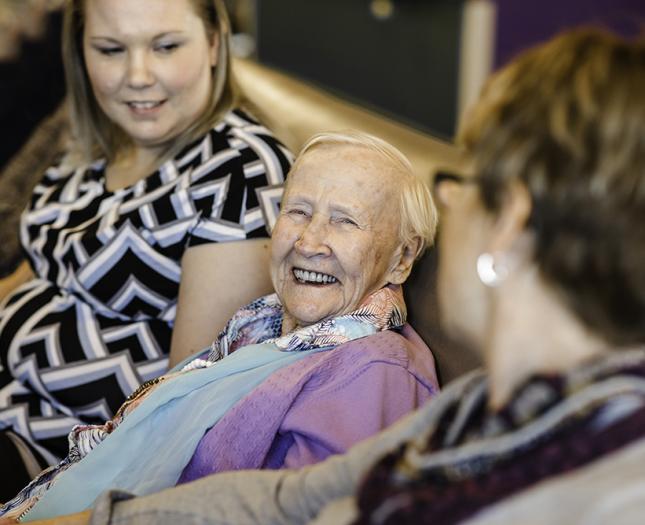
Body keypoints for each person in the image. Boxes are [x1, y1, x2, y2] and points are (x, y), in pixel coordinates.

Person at [14, 26, 645, 525]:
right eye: (298, 211)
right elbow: (289, 499)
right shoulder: (481, 410)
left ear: (508, 223)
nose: (452, 202)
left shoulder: (593, 486)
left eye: (467, 183)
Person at [0, 131, 440, 521]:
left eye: (345, 221)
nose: (308, 242)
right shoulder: (261, 325)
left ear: (402, 258)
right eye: (299, 211)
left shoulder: (373, 370)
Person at [0, 0, 293, 502]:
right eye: (111, 49)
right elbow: (36, 270)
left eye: (166, 46)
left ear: (214, 43)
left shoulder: (239, 171)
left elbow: (183, 401)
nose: (137, 76)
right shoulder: (98, 139)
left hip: (49, 458)